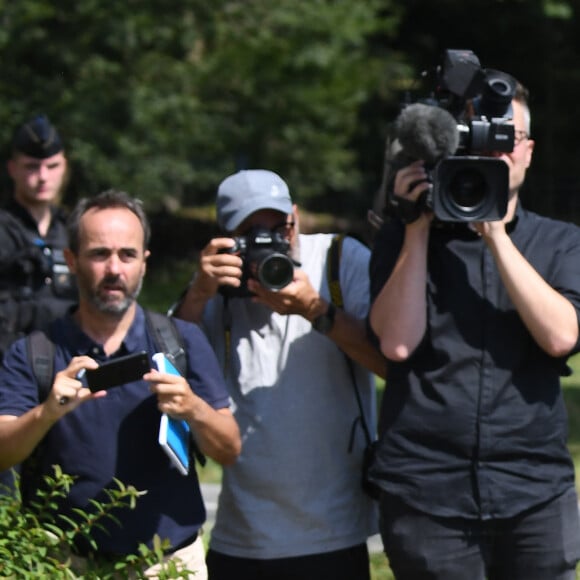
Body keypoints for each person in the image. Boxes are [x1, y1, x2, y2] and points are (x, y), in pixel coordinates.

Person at [369, 79, 580, 579]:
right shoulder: (405, 236)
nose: (495, 149)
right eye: (481, 137)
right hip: (427, 491)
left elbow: (561, 336)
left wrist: (494, 233)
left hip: (532, 490)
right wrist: (416, 227)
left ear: (527, 151)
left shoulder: (561, 241)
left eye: (508, 138)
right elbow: (396, 343)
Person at [0, 189, 241, 577]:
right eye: (99, 254)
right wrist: (45, 415)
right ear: (71, 261)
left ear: (144, 263)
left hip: (169, 565)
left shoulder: (181, 340)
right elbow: (2, 453)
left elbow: (229, 449)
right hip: (64, 566)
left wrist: (193, 407)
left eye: (127, 255)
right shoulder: (36, 352)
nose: (115, 269)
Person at [172, 169, 386, 580]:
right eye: (250, 233)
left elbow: (390, 364)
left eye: (279, 228)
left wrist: (316, 310)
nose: (269, 242)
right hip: (242, 536)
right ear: (225, 239)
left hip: (335, 532)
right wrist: (198, 292)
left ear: (296, 217)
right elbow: (171, 363)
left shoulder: (340, 262)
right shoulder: (215, 291)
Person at [0, 114, 77, 359]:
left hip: (66, 360)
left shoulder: (73, 229)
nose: (43, 176)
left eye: (52, 166)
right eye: (32, 166)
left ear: (64, 166)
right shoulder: (4, 230)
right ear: (12, 168)